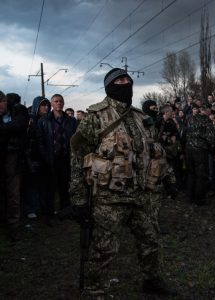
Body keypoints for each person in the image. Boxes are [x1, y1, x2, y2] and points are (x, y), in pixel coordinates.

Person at [69, 68, 177, 297]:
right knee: (104, 248)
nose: (125, 82)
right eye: (120, 80)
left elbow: (156, 152)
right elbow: (77, 158)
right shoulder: (95, 117)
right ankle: (94, 289)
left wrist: (170, 178)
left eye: (128, 79)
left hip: (141, 194)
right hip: (110, 198)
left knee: (151, 241)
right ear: (109, 85)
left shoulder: (141, 118)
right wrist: (78, 198)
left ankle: (152, 280)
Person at [37, 94, 77, 226]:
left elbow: (75, 140)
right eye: (56, 101)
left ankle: (65, 212)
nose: (59, 103)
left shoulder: (71, 121)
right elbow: (40, 141)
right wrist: (45, 157)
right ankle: (49, 215)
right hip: (51, 159)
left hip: (65, 159)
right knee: (50, 188)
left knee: (65, 187)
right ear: (52, 104)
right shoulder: (44, 121)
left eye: (61, 101)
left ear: (63, 103)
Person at [0, 92, 29, 241]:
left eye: (3, 101)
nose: (1, 104)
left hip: (13, 157)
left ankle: (13, 226)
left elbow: (19, 124)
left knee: (13, 194)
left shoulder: (17, 111)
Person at [24, 96, 51, 219]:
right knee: (32, 185)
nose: (46, 107)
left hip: (45, 156)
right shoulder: (31, 120)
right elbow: (27, 140)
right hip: (33, 157)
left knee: (44, 184)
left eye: (47, 105)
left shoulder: (48, 120)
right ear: (37, 106)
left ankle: (41, 208)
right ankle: (31, 209)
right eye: (43, 105)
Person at [185, 104, 215, 205]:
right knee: (201, 175)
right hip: (200, 150)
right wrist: (213, 149)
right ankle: (199, 199)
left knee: (191, 174)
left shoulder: (190, 119)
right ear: (206, 111)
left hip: (188, 149)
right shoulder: (206, 120)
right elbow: (211, 137)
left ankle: (190, 197)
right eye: (209, 111)